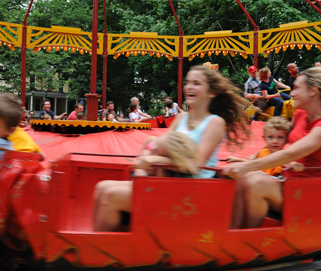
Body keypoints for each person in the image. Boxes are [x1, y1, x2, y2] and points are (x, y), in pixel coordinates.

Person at [94, 65, 249, 232]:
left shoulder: (214, 122)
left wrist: (155, 160)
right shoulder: (182, 117)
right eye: (188, 82)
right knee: (102, 187)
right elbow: (158, 143)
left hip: (193, 187)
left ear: (211, 92)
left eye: (197, 83)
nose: (189, 87)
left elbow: (196, 163)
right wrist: (145, 158)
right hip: (169, 178)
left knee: (110, 197)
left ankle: (106, 249)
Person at [223, 68, 321, 230]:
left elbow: (290, 153)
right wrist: (252, 157)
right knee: (244, 179)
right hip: (288, 181)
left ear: (313, 91)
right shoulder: (300, 114)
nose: (292, 93)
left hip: (307, 193)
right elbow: (283, 139)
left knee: (256, 183)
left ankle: (246, 243)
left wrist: (247, 166)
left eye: (298, 88)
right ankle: (232, 235)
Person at [227, 117, 301, 176]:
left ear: (286, 140)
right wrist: (237, 159)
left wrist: (293, 164)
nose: (275, 141)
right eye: (270, 137)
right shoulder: (264, 152)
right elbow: (256, 164)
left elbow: (288, 162)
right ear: (265, 138)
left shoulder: (284, 156)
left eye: (280, 137)